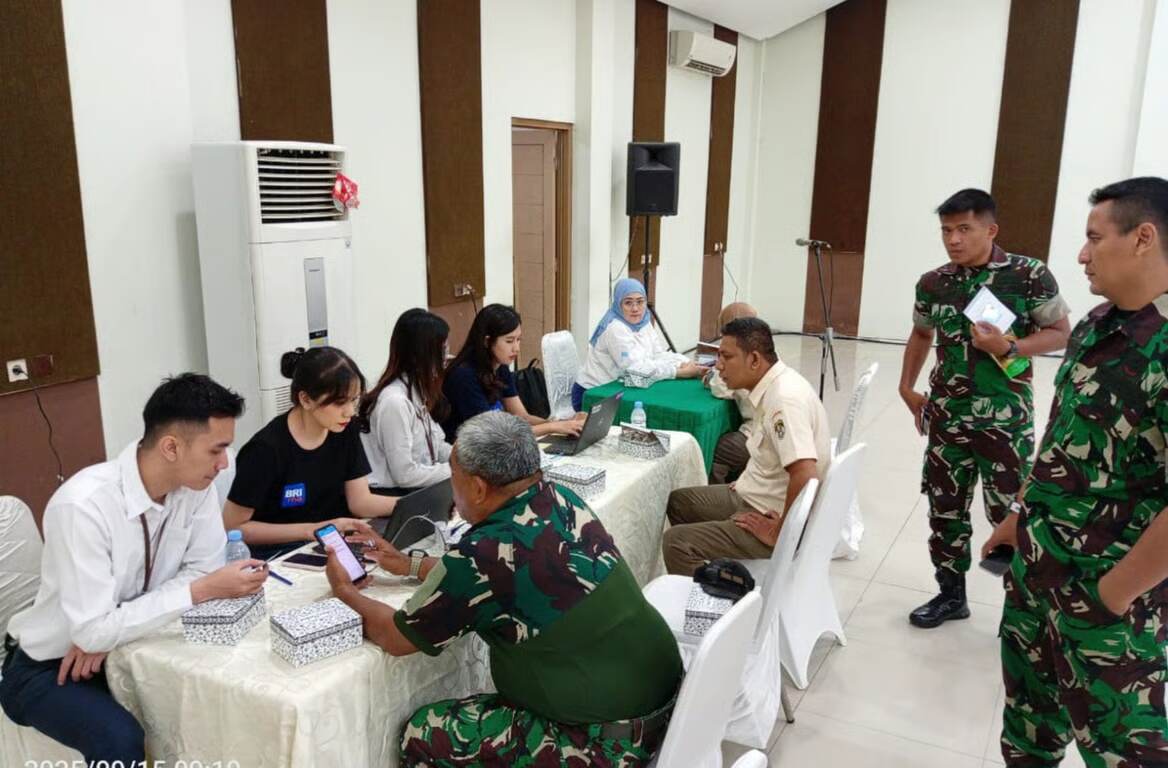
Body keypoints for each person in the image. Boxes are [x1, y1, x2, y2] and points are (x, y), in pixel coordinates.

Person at [323, 411, 682, 766]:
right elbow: (502, 571)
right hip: (668, 704)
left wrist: (343, 590)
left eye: (453, 476)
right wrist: (409, 564)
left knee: (424, 732)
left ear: (478, 488)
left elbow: (395, 637)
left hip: (607, 743)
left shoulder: (484, 554)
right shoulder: (561, 499)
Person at [981, 177, 1168, 765]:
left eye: (1094, 238)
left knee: (1122, 752)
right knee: (1028, 733)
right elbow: (1060, 438)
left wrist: (1115, 594)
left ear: (1143, 238)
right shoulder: (1096, 324)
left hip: (1111, 604)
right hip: (1038, 571)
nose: (1082, 255)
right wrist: (1018, 513)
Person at [0, 374, 268, 764]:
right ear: (171, 447)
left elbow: (203, 568)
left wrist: (113, 630)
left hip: (122, 648)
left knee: (221, 703)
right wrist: (199, 591)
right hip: (46, 667)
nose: (224, 463)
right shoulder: (83, 507)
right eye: (217, 449)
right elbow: (94, 629)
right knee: (120, 739)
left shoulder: (195, 491)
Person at [901, 188, 1070, 629]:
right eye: (946, 231)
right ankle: (950, 595)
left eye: (964, 229)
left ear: (991, 230)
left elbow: (1060, 332)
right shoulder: (934, 282)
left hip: (1004, 420)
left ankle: (1022, 606)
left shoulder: (1028, 275)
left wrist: (1010, 346)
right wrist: (906, 387)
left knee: (1010, 512)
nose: (953, 240)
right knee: (945, 509)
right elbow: (921, 333)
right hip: (947, 417)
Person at [663, 317, 831, 576]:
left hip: (770, 512)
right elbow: (772, 454)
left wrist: (778, 532)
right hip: (760, 494)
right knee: (679, 502)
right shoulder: (774, 384)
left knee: (676, 542)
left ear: (754, 360)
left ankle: (722, 594)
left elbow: (806, 474)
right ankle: (715, 572)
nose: (719, 365)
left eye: (726, 357)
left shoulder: (784, 400)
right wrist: (750, 480)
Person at [223, 346, 383, 559]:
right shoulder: (265, 449)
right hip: (281, 555)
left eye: (354, 400)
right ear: (306, 399)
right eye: (339, 402)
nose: (350, 412)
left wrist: (412, 504)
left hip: (333, 545)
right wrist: (311, 530)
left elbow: (360, 501)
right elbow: (234, 526)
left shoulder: (344, 429)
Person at [441, 303, 583, 441]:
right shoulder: (464, 376)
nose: (516, 348)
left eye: (518, 340)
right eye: (509, 341)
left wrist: (565, 424)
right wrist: (553, 427)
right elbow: (494, 434)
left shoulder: (500, 367)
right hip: (469, 449)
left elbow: (522, 418)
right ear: (487, 341)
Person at [573, 278, 707, 410]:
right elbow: (635, 372)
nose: (635, 308)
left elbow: (657, 354)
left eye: (640, 301)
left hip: (619, 388)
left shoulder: (643, 321)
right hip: (592, 394)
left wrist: (684, 362)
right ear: (618, 304)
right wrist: (678, 372)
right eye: (628, 303)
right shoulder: (615, 328)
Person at [359, 309, 452, 493]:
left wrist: (466, 460)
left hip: (419, 489)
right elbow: (404, 475)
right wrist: (455, 470)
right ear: (420, 354)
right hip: (392, 495)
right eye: (442, 351)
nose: (447, 357)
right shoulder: (394, 402)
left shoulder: (416, 390)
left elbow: (438, 446)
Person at [706, 302, 760, 484]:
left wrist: (711, 375)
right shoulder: (764, 346)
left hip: (758, 436)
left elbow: (720, 389)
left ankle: (715, 491)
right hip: (767, 432)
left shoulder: (739, 355)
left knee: (718, 448)